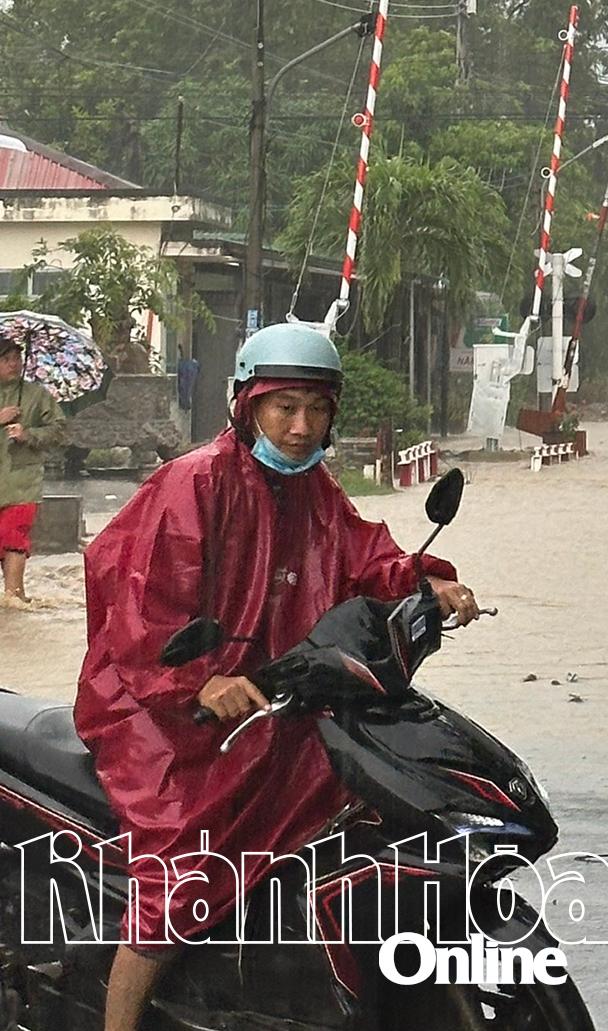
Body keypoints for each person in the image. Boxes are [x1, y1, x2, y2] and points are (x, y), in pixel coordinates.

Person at [74, 323, 481, 1031]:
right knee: (182, 870)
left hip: (266, 694)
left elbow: (363, 554)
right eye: (283, 407)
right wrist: (198, 680)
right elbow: (143, 605)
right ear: (247, 406)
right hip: (159, 709)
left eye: (316, 409)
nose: (299, 426)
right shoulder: (194, 481)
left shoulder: (314, 488)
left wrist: (425, 583)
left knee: (348, 795)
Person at [0, 336, 68, 605]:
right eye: (6, 359)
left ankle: (14, 599)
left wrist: (27, 434)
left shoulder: (36, 396)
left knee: (14, 536)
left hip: (23, 482)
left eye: (16, 358)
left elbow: (60, 431)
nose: (14, 364)